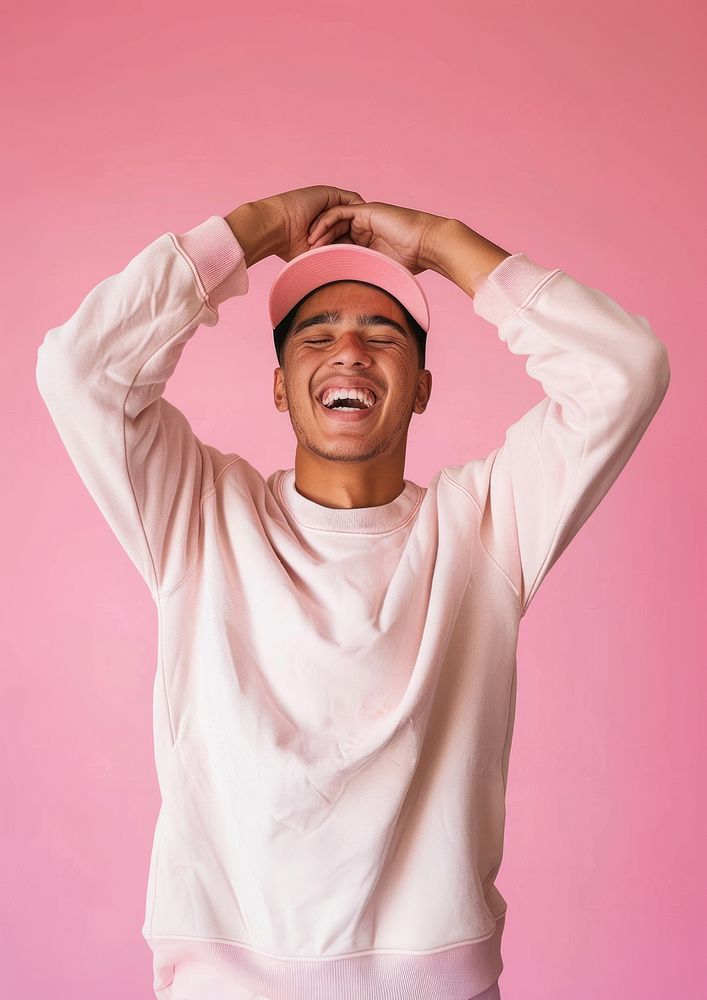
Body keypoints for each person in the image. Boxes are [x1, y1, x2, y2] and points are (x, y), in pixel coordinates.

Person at [35, 185, 670, 1000]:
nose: (348, 352)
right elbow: (78, 368)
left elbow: (624, 370)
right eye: (315, 336)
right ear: (278, 387)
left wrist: (442, 242)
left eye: (381, 335)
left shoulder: (481, 527)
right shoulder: (197, 515)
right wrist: (256, 228)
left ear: (421, 388)